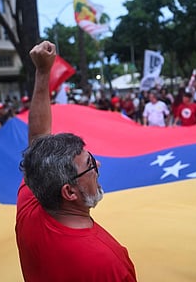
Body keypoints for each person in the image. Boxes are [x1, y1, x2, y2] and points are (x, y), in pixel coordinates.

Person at [16, 41, 137, 281]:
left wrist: (42, 72)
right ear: (69, 192)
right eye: (89, 164)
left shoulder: (30, 210)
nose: (98, 165)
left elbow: (38, 143)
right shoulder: (107, 260)